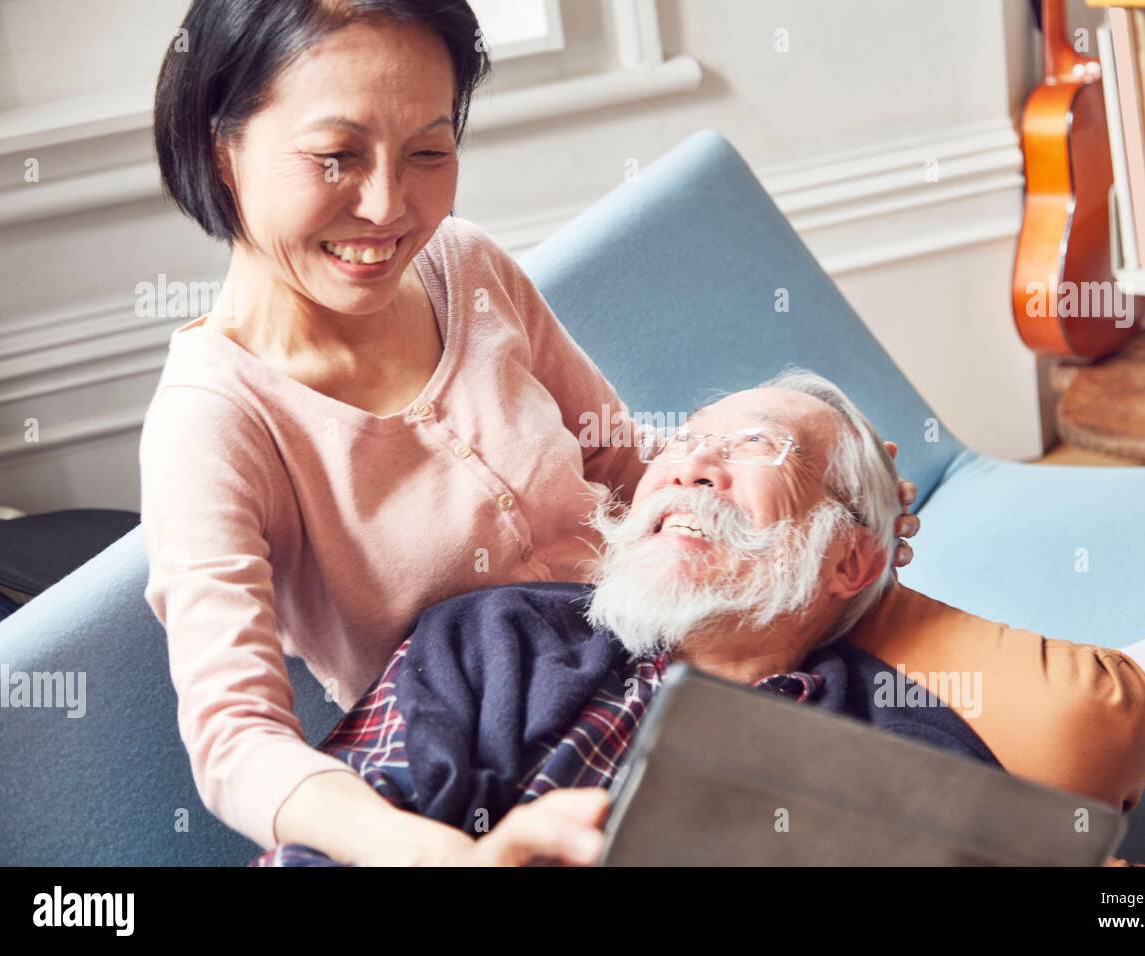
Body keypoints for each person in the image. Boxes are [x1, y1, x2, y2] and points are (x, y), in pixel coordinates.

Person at [140, 0, 924, 865]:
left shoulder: (465, 265)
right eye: (335, 156)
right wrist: (448, 858)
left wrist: (829, 506)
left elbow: (629, 468)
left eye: (431, 151)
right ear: (223, 145)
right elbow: (236, 741)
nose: (388, 206)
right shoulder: (213, 422)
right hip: (486, 769)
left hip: (693, 673)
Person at [252, 371, 1145, 866]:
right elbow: (325, 843)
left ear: (847, 557)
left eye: (754, 448)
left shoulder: (906, 740)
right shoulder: (496, 635)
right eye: (685, 444)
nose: (691, 467)